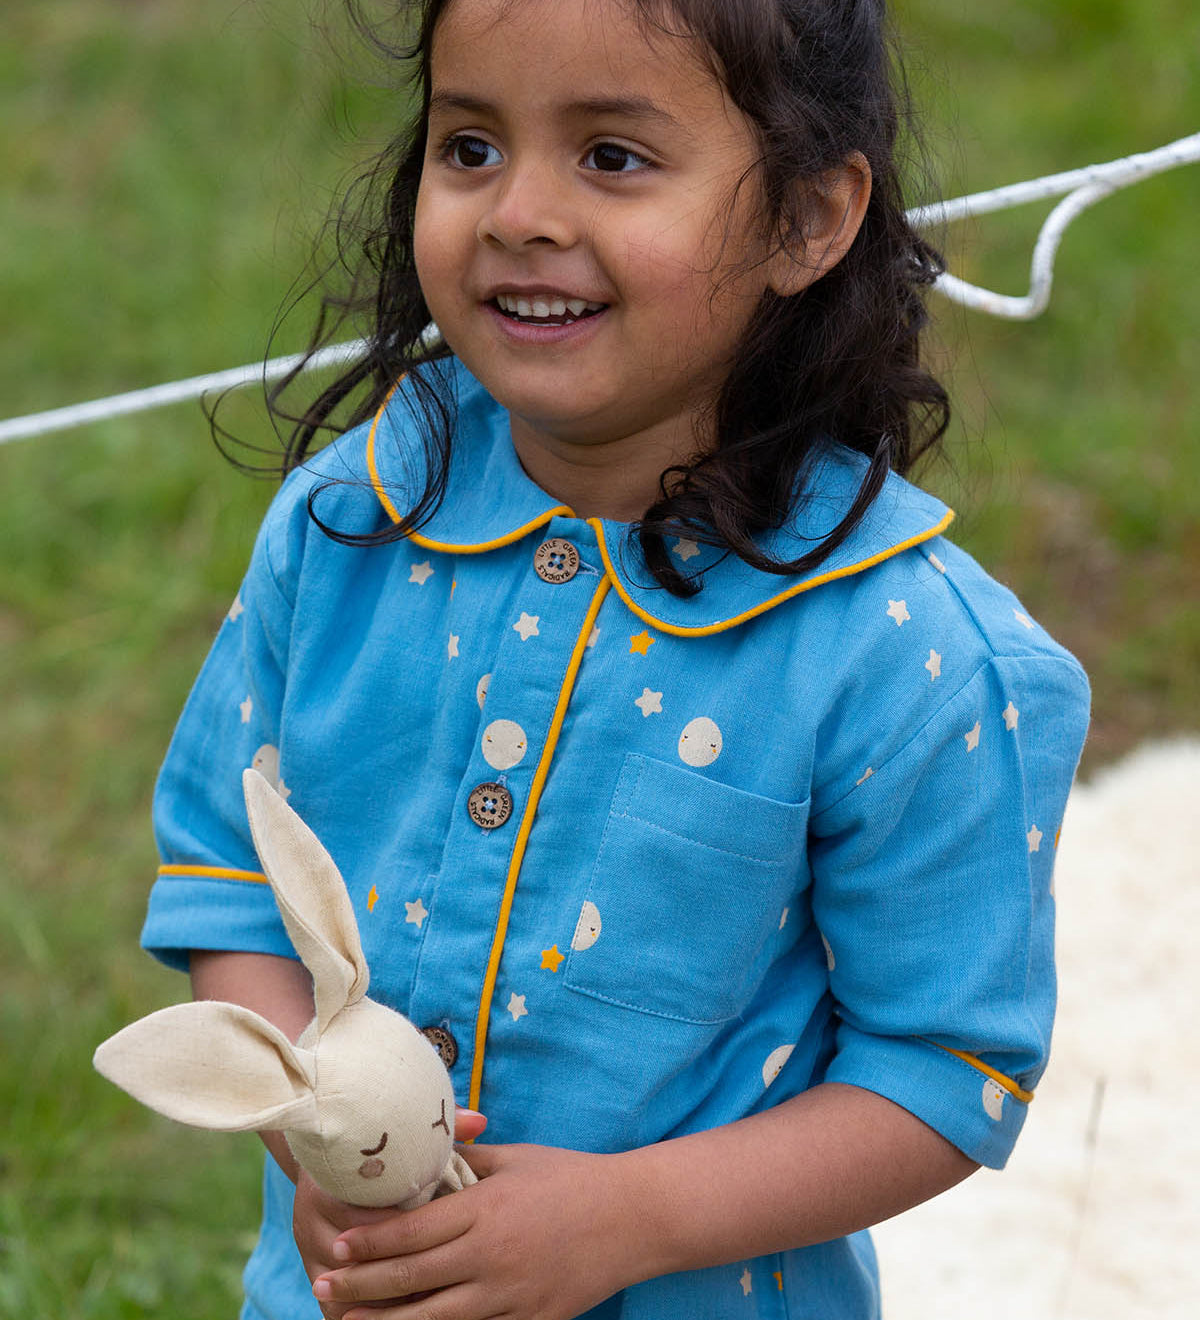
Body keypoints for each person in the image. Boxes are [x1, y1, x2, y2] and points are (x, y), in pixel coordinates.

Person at [141, 0, 1091, 1317]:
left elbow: (942, 1070)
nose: (519, 210)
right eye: (470, 146)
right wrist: (320, 1121)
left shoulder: (907, 656)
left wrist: (630, 1223)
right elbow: (234, 880)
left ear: (808, 220)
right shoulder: (344, 524)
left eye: (612, 157)